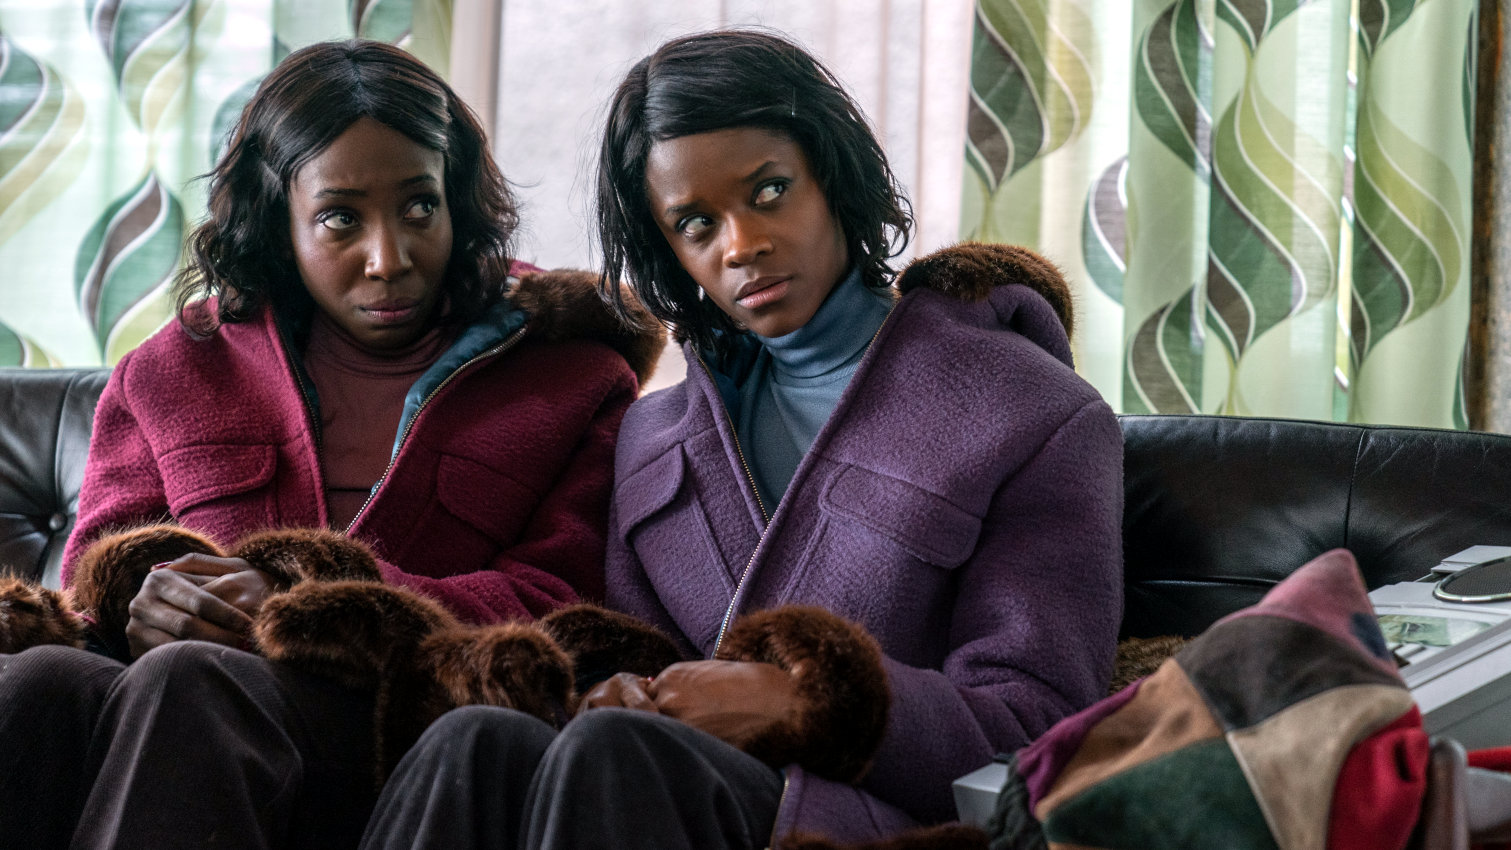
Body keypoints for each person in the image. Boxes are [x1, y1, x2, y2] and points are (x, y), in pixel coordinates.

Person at [360, 28, 1123, 850]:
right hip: (653, 794)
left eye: (769, 192)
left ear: (833, 177)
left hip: (865, 822)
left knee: (618, 752)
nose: (741, 245)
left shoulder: (1029, 409)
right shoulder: (652, 438)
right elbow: (642, 661)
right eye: (695, 223)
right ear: (667, 250)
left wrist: (803, 704)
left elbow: (1039, 728)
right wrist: (616, 687)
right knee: (475, 739)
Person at [0, 39, 660, 850]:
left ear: (456, 201)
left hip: (403, 729)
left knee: (195, 676)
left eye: (419, 207)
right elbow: (95, 580)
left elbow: (563, 600)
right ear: (278, 222)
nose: (390, 258)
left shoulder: (573, 377)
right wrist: (153, 603)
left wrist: (309, 606)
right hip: (171, 723)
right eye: (341, 218)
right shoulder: (173, 368)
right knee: (39, 677)